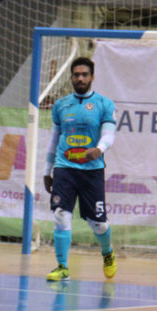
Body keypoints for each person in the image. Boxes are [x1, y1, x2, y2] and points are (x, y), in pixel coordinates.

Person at [43, 56, 117, 282]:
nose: (80, 78)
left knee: (99, 224)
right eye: (77, 75)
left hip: (92, 170)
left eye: (85, 74)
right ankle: (62, 266)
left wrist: (99, 148)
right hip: (65, 168)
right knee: (60, 215)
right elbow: (54, 138)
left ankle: (107, 252)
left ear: (92, 77)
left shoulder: (105, 104)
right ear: (72, 77)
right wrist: (48, 170)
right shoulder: (61, 105)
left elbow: (109, 134)